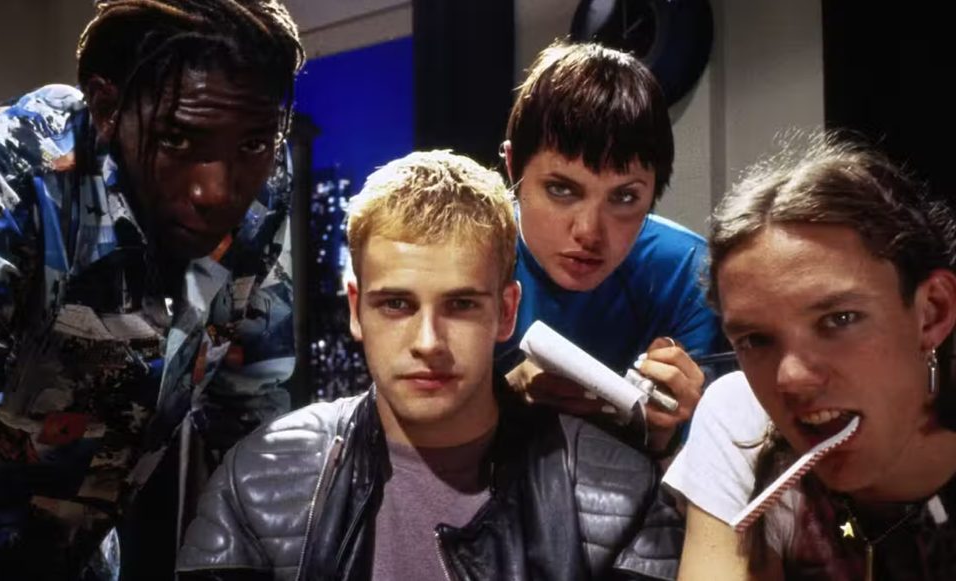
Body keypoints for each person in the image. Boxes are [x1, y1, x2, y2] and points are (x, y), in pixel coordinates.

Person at [177, 150, 683, 580]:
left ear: (507, 312)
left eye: (460, 305)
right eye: (396, 304)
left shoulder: (620, 497)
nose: (428, 343)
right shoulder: (259, 477)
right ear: (356, 309)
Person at [0, 1, 303, 578]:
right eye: (177, 139)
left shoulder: (261, 185)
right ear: (108, 109)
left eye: (253, 144)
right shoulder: (6, 168)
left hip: (82, 557)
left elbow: (252, 416)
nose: (216, 191)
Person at [665, 133, 956, 579]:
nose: (791, 378)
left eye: (839, 319)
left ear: (932, 312)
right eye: (756, 340)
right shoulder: (742, 421)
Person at [498, 41, 720, 455]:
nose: (589, 232)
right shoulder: (464, 255)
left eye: (624, 197)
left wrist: (667, 435)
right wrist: (498, 402)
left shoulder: (690, 272)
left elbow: (711, 472)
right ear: (513, 169)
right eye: (561, 189)